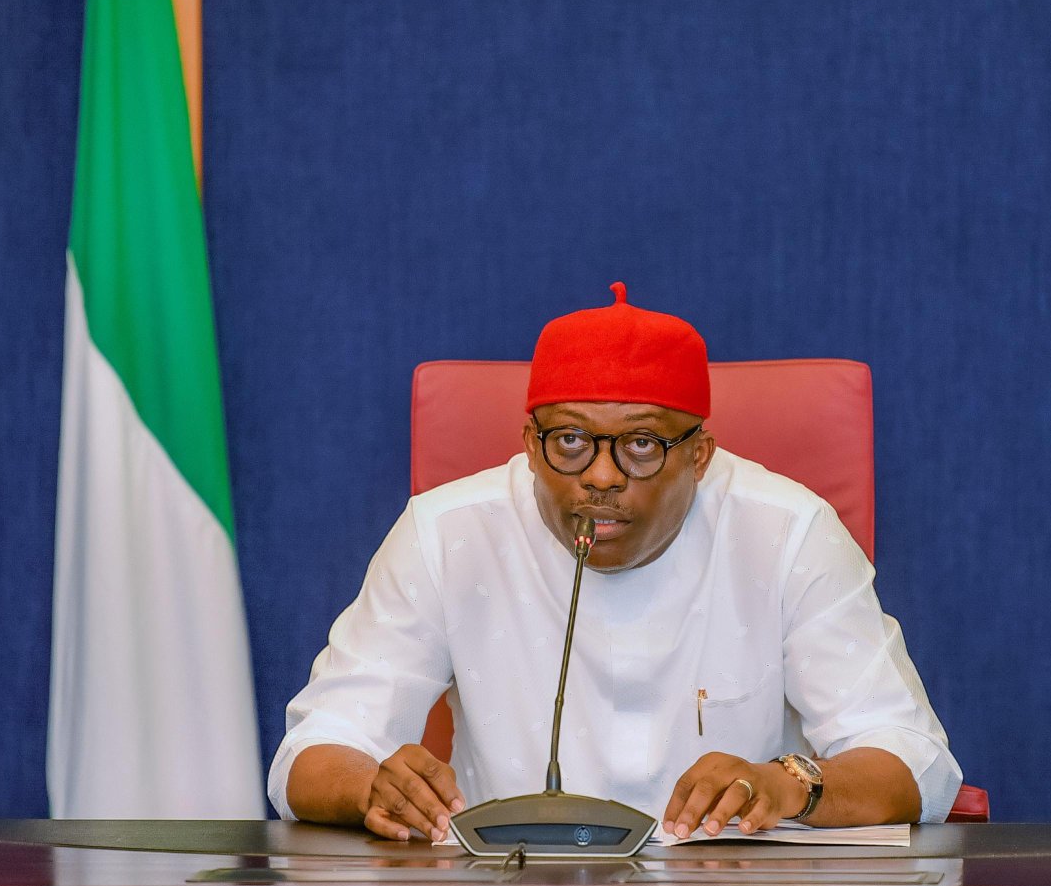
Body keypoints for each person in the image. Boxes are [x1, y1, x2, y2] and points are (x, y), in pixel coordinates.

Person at [271, 283, 960, 842]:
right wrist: (371, 786)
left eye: (641, 446)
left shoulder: (788, 532)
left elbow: (916, 761)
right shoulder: (445, 532)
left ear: (700, 455)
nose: (601, 476)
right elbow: (312, 750)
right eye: (570, 441)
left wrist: (787, 784)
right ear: (530, 445)